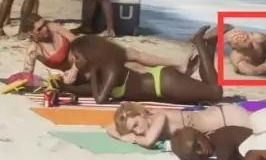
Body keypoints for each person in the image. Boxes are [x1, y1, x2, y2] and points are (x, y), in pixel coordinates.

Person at [112, 99, 266, 149]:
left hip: (228, 118)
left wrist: (128, 137)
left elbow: (148, 141)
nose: (138, 130)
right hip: (224, 115)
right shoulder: (153, 120)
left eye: (136, 124)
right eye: (134, 129)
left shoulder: (159, 118)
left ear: (142, 114)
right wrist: (122, 131)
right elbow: (109, 127)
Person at [62, 31, 222, 105]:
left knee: (216, 92)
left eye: (77, 58)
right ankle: (209, 46)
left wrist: (92, 71)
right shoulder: (102, 69)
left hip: (164, 83)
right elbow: (91, 91)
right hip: (163, 88)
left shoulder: (111, 66)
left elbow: (100, 99)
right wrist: (63, 87)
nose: (76, 62)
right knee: (208, 93)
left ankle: (199, 43)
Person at [24, 16, 193, 84]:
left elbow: (78, 43)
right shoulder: (34, 50)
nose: (45, 29)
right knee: (132, 68)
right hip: (80, 73)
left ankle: (177, 65)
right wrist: (54, 79)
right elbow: (26, 76)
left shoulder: (53, 28)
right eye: (39, 29)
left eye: (43, 24)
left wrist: (75, 67)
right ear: (32, 34)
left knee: (132, 54)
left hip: (85, 55)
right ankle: (169, 78)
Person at [171, 126, 253, 160]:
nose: (200, 153)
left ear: (199, 133)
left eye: (198, 146)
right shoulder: (214, 141)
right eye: (194, 155)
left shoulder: (222, 136)